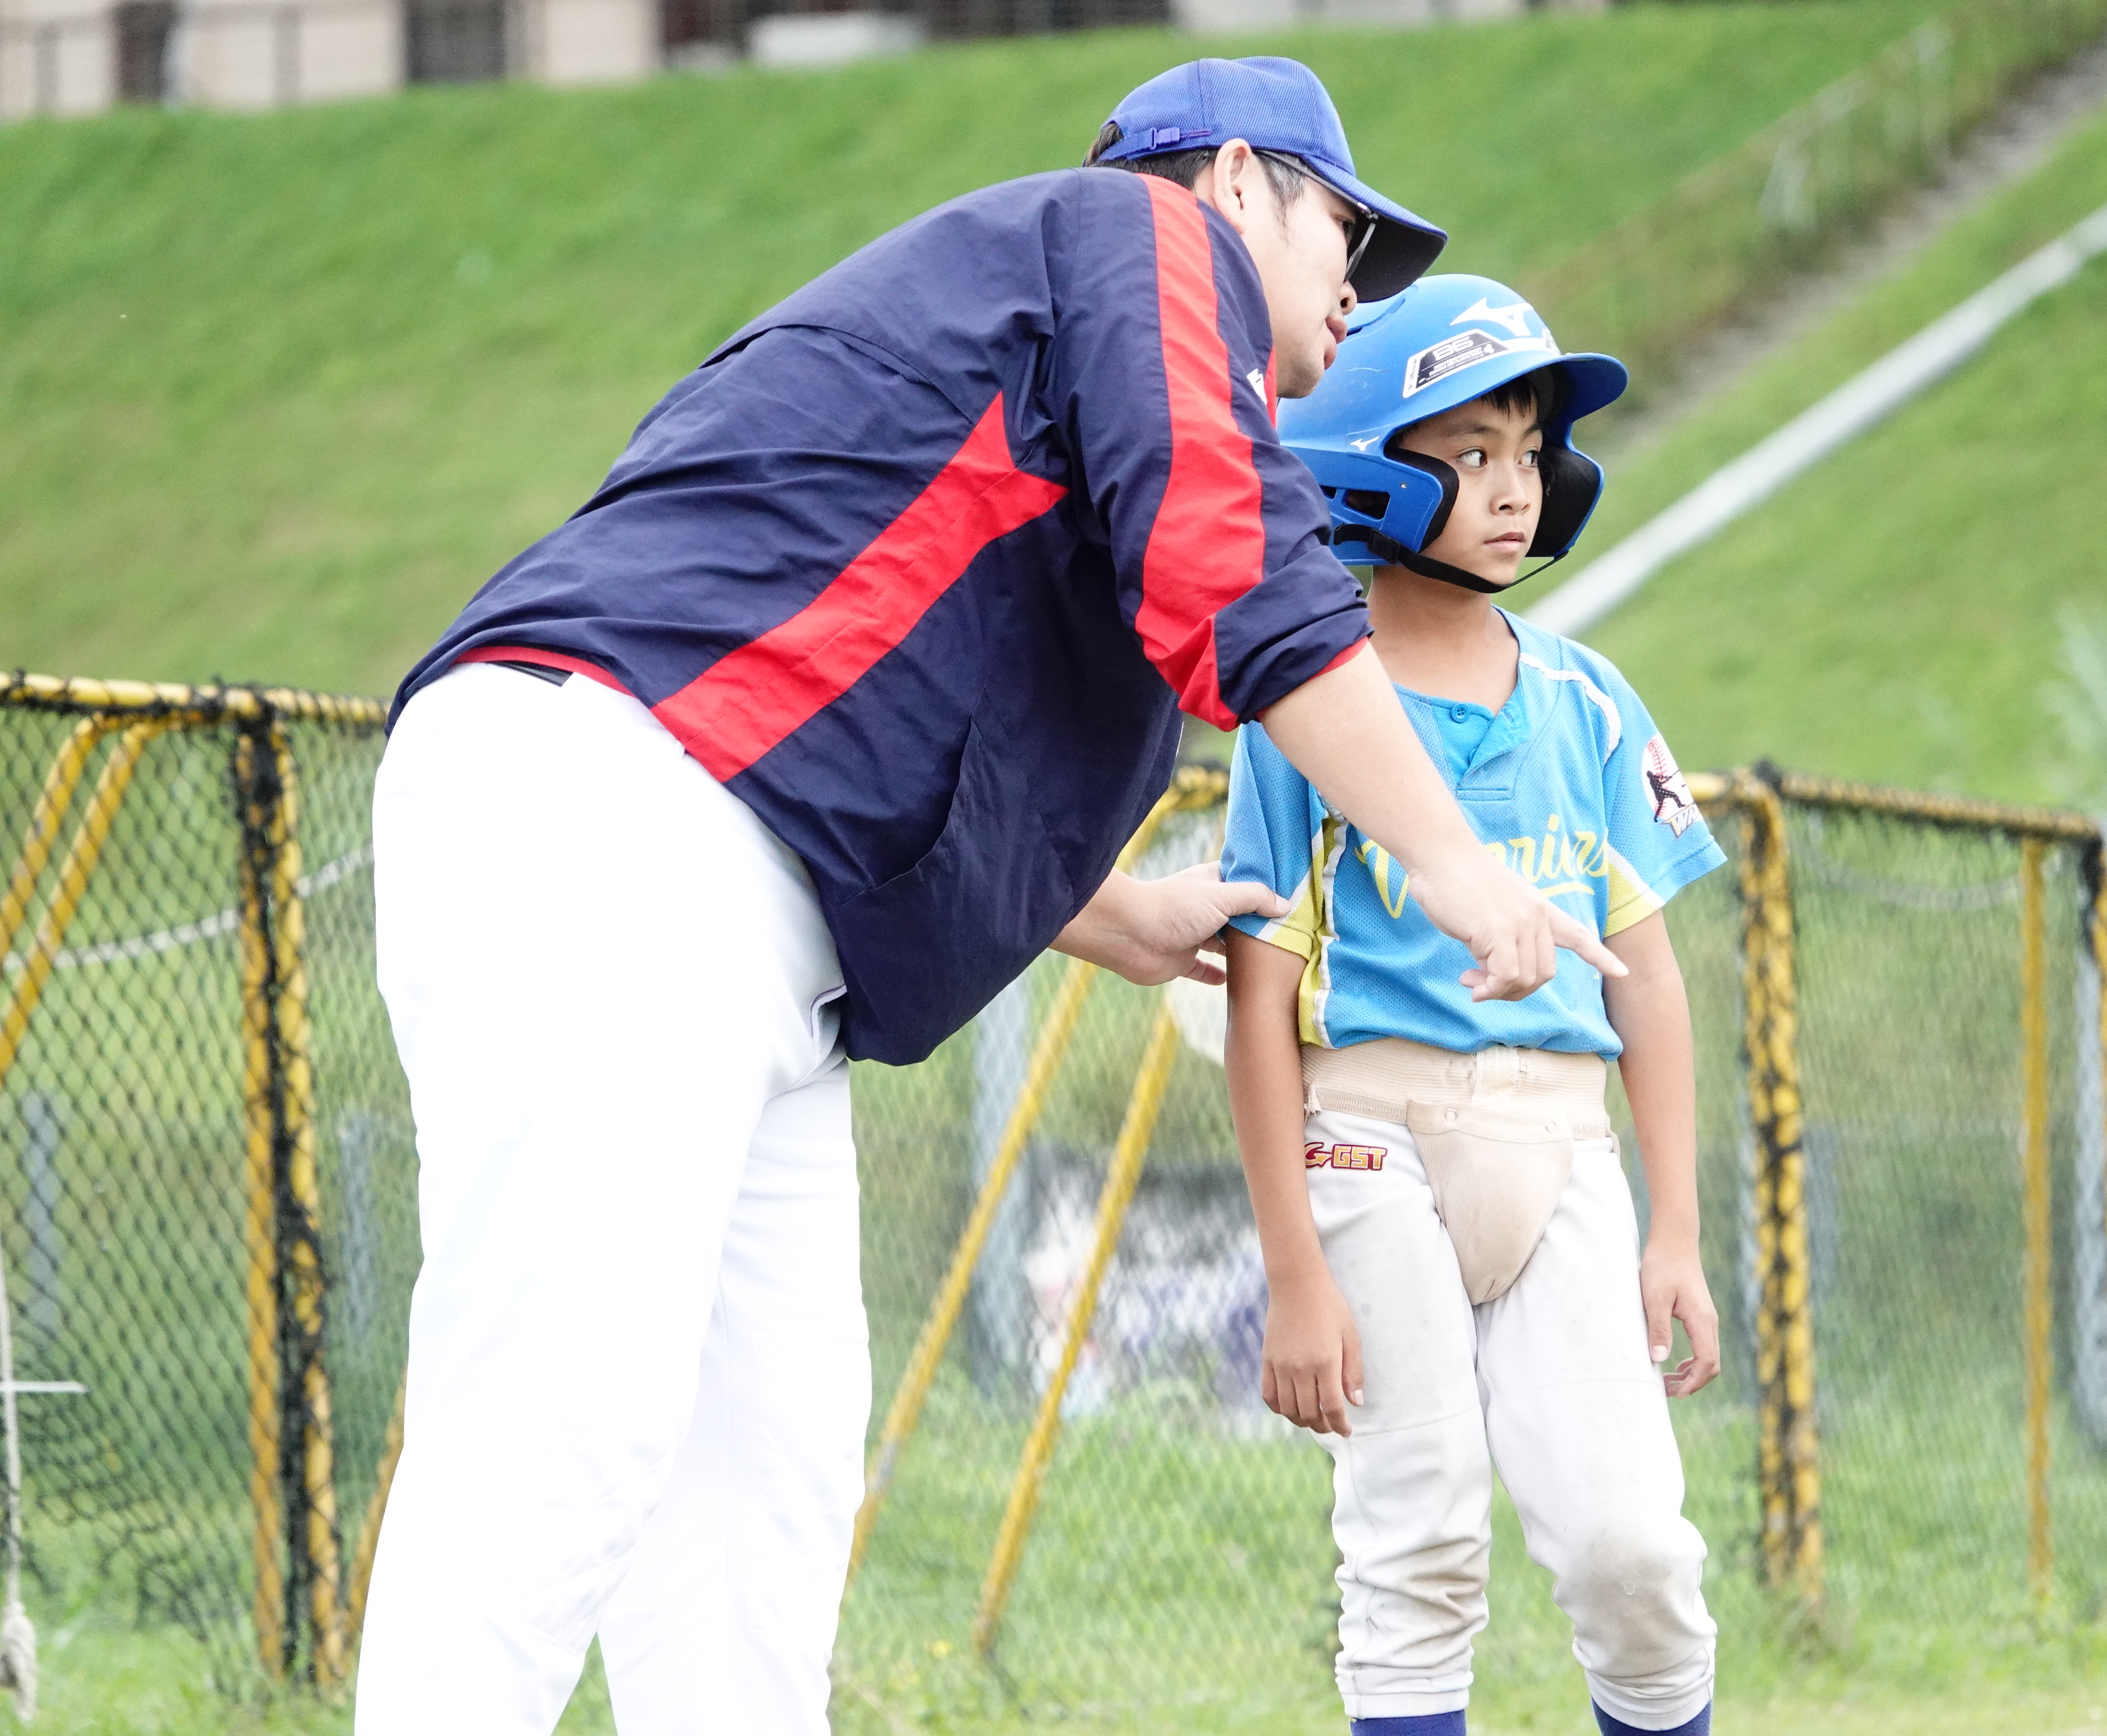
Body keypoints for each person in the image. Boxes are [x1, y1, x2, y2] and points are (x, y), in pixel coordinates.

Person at [359, 59, 1625, 1736]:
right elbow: (1234, 578)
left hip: (726, 882)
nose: (1356, 280)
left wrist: (1102, 911)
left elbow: (882, 675)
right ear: (1234, 180)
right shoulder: (1141, 240)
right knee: (561, 1425)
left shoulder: (1067, 335)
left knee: (761, 1493)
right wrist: (1453, 862)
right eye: (1346, 227)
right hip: (623, 818)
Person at [1219, 275, 1726, 1736]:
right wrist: (1292, 1271)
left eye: (1530, 452)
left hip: (1564, 1150)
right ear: (1367, 469)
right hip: (1370, 1142)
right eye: (1472, 454)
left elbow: (1650, 980)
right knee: (1419, 1541)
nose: (1517, 489)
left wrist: (1677, 1231)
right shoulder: (1307, 708)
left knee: (1636, 1555)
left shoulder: (1590, 700)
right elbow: (1258, 1004)